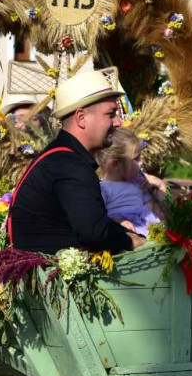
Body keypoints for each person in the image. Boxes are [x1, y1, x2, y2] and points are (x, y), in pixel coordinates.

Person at [9, 70, 144, 254]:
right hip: (50, 276)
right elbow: (95, 232)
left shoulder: (61, 157)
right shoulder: (69, 165)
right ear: (81, 118)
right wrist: (131, 241)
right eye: (111, 114)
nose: (118, 122)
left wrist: (126, 233)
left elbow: (92, 223)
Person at [96, 128, 167, 235]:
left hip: (149, 231)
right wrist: (119, 222)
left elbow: (157, 210)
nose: (141, 162)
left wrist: (161, 185)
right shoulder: (103, 188)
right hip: (127, 235)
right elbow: (99, 217)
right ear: (115, 164)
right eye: (136, 158)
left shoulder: (138, 182)